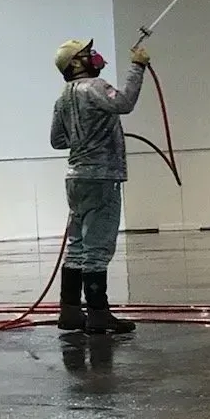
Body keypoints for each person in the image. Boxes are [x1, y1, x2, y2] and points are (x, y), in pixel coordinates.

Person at [51, 37, 149, 335]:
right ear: (76, 64)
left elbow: (57, 140)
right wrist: (138, 66)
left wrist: (85, 139)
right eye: (87, 53)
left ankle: (69, 311)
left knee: (77, 246)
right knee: (97, 247)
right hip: (101, 177)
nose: (94, 56)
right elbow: (124, 103)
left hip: (76, 178)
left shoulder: (63, 98)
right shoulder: (95, 87)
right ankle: (97, 313)